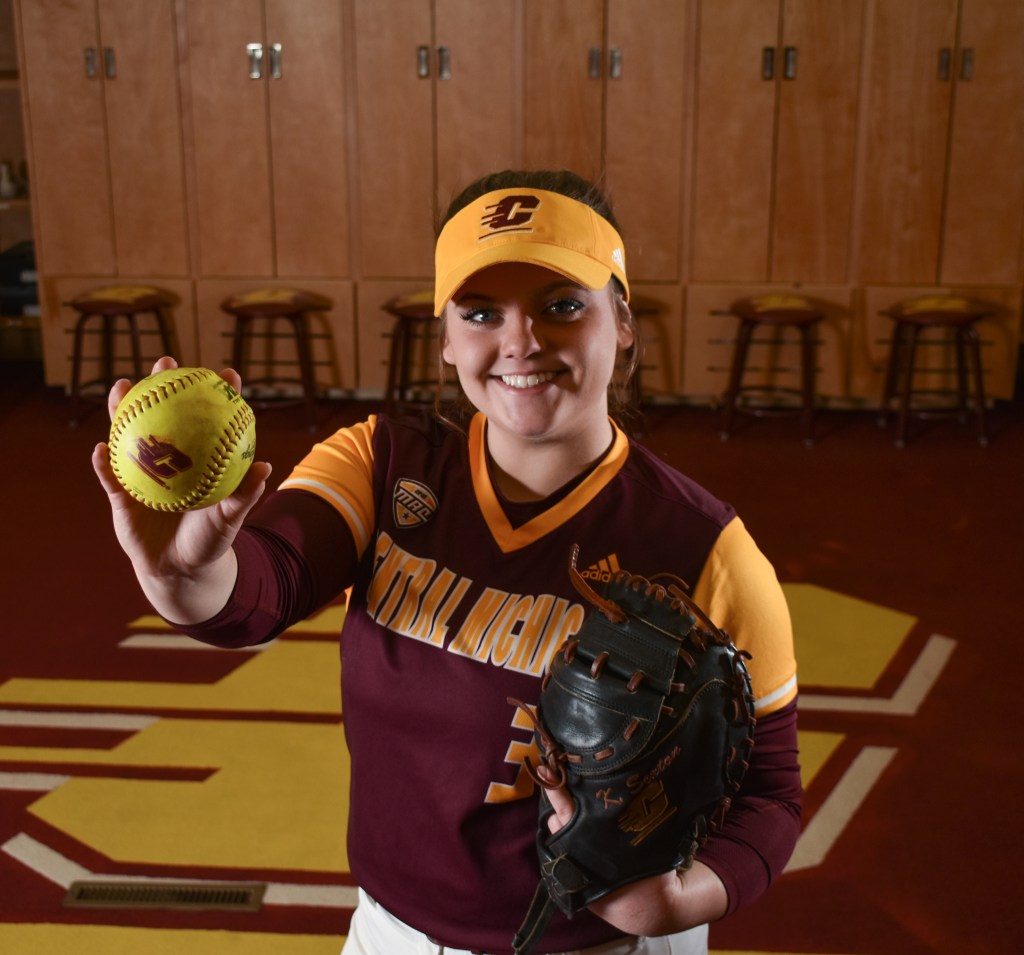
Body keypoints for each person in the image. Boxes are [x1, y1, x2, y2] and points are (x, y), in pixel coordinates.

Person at [93, 169, 801, 955]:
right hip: (390, 931)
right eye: (481, 312)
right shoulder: (383, 462)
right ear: (446, 337)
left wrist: (677, 901)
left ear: (623, 320)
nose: (520, 342)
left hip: (598, 945)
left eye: (563, 305)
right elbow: (262, 590)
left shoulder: (705, 549)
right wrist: (182, 572)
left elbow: (772, 795)